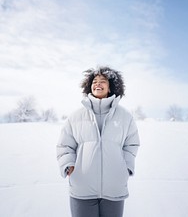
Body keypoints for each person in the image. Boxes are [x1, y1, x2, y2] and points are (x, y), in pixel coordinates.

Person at [56, 66, 140, 217]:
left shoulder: (125, 116)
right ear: (89, 86)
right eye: (94, 81)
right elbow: (65, 145)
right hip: (82, 187)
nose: (98, 84)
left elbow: (131, 144)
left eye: (103, 81)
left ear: (111, 87)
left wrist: (125, 168)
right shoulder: (76, 116)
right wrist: (68, 165)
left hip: (114, 188)